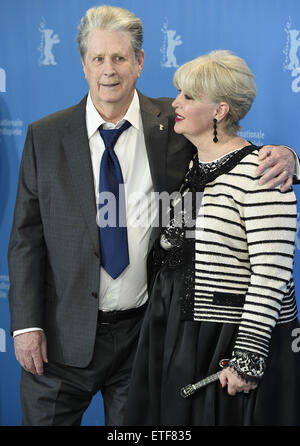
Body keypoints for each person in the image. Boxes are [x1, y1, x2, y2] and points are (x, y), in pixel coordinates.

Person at [7, 5, 298, 426]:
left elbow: (238, 156)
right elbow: (25, 239)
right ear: (84, 64)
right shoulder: (44, 135)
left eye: (120, 58)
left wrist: (291, 158)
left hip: (146, 340)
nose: (109, 70)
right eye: (98, 58)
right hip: (60, 340)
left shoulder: (176, 124)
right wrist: (26, 325)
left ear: (140, 63)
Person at [124, 50, 300, 426]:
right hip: (174, 330)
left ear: (220, 110)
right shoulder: (191, 164)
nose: (176, 104)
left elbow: (271, 276)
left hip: (222, 338)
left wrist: (247, 357)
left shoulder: (263, 174)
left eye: (188, 96)